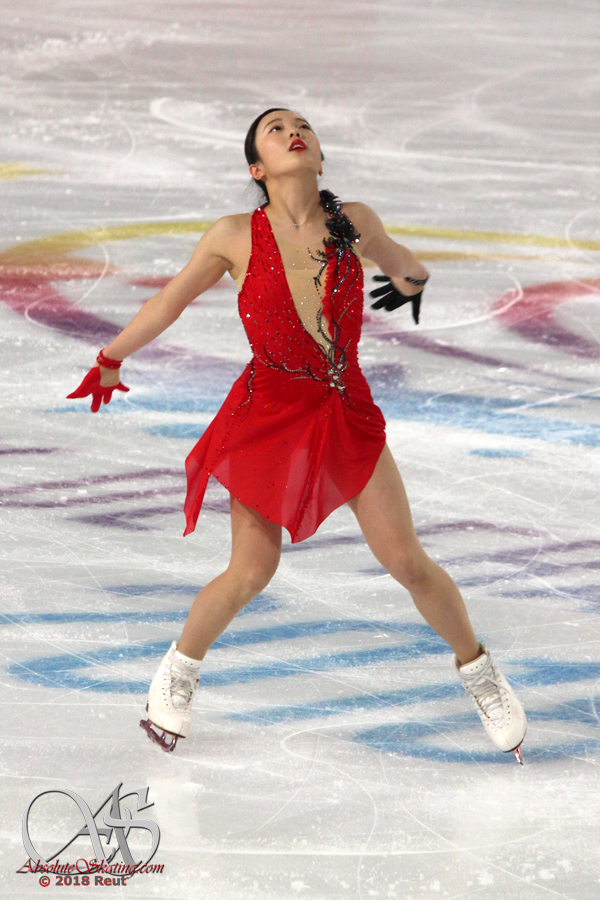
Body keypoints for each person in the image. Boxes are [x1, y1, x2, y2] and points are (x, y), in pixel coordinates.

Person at [67, 107, 527, 763]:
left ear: (319, 155)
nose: (294, 132)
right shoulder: (233, 235)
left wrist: (411, 281)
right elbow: (169, 301)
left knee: (405, 560)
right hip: (268, 413)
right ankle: (177, 674)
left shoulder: (353, 222)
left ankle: (479, 672)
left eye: (303, 125)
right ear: (258, 168)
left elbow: (402, 263)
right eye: (276, 129)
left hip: (343, 408)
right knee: (252, 570)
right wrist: (111, 357)